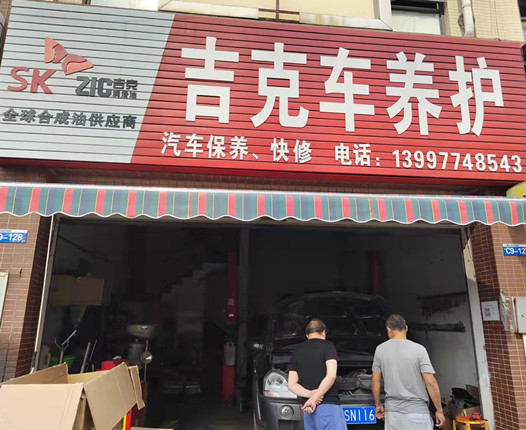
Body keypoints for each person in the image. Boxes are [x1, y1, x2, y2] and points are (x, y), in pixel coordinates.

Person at [372, 314, 446, 430]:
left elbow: (375, 381)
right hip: (417, 413)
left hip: (393, 415)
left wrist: (378, 405)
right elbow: (430, 382)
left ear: (388, 329)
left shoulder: (380, 350)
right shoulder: (419, 350)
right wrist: (439, 410)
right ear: (406, 328)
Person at [287, 318, 347, 430]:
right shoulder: (328, 346)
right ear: (323, 332)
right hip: (328, 406)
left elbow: (291, 384)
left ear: (307, 335)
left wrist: (310, 395)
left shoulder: (297, 351)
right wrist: (315, 397)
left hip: (309, 409)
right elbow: (331, 376)